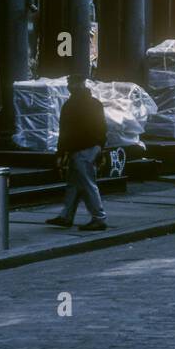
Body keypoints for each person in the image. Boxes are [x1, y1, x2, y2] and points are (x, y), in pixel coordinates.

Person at [46, 74, 108, 231]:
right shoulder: (95, 104)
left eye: (71, 82)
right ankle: (66, 216)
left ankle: (99, 217)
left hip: (80, 149)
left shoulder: (70, 105)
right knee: (74, 184)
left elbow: (65, 132)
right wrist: (101, 147)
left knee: (87, 183)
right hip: (90, 147)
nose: (69, 85)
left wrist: (60, 154)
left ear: (77, 84)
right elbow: (103, 128)